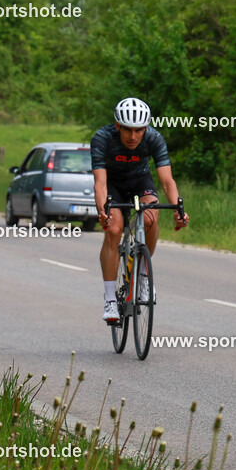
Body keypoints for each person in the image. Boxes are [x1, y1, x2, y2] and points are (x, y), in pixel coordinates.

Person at [91, 97, 189, 323]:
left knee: (151, 216)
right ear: (118, 126)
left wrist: (177, 210)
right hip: (113, 184)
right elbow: (100, 183)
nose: (133, 137)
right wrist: (102, 210)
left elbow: (167, 181)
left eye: (139, 130)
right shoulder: (102, 139)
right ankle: (110, 300)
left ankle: (143, 275)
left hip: (139, 181)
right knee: (114, 230)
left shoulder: (154, 138)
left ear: (146, 128)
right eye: (128, 130)